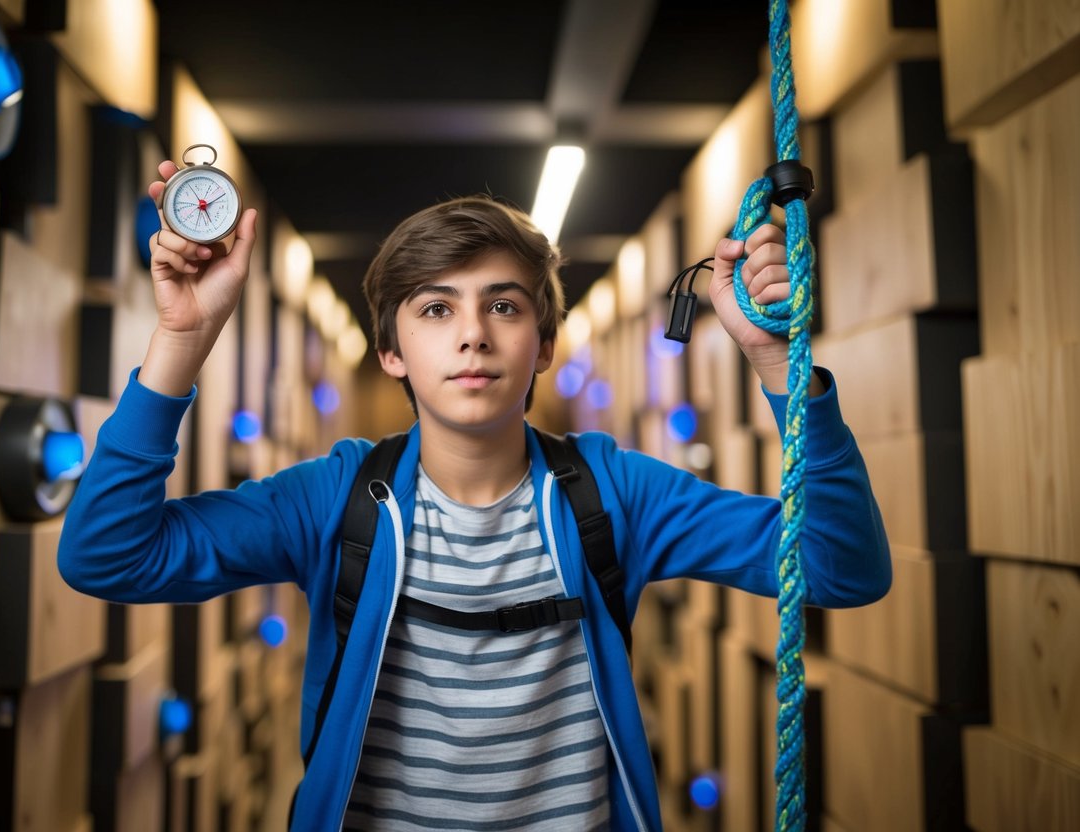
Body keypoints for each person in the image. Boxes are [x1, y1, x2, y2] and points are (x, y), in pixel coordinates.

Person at [59, 160, 891, 831]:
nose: (472, 334)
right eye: (434, 308)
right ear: (391, 351)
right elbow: (108, 555)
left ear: (541, 347)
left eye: (503, 305)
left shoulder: (615, 492)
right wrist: (182, 339)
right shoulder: (333, 500)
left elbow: (837, 569)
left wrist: (777, 367)